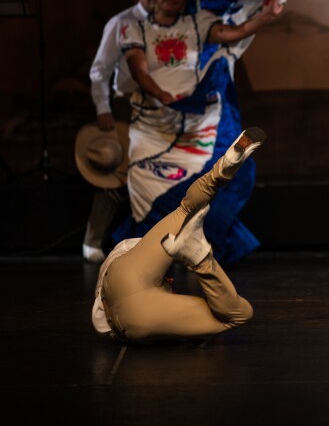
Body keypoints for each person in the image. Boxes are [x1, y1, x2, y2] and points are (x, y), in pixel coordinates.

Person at [113, 0, 286, 264]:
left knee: (210, 180)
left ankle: (189, 247)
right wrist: (161, 95)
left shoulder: (196, 23)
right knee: (144, 182)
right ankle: (149, 256)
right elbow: (138, 69)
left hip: (193, 122)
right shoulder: (135, 28)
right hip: (153, 124)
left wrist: (265, 17)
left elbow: (236, 32)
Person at [92, 127, 265, 344]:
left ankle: (200, 255)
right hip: (126, 293)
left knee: (239, 315)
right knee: (185, 210)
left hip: (125, 301)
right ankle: (221, 171)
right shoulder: (134, 257)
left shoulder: (133, 257)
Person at [82, 0, 160, 262]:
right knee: (116, 175)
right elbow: (100, 70)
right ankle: (94, 239)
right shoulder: (122, 22)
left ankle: (155, 245)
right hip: (126, 104)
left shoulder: (170, 23)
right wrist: (103, 108)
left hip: (159, 107)